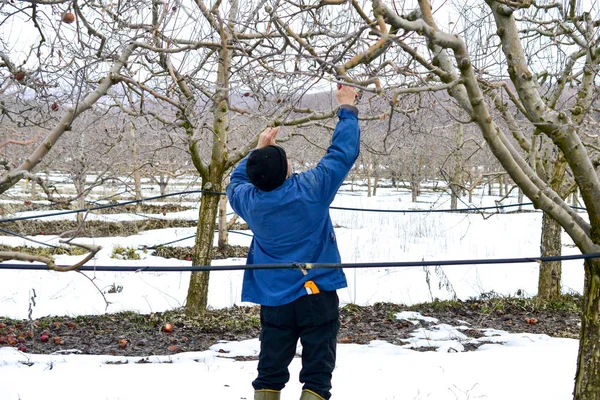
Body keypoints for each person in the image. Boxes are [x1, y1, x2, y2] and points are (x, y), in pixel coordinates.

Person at [226, 85, 360, 400]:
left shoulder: (248, 201)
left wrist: (258, 150)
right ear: (286, 170)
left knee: (269, 373)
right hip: (317, 296)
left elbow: (236, 179)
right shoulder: (310, 189)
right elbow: (342, 153)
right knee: (317, 377)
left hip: (274, 301)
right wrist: (346, 106)